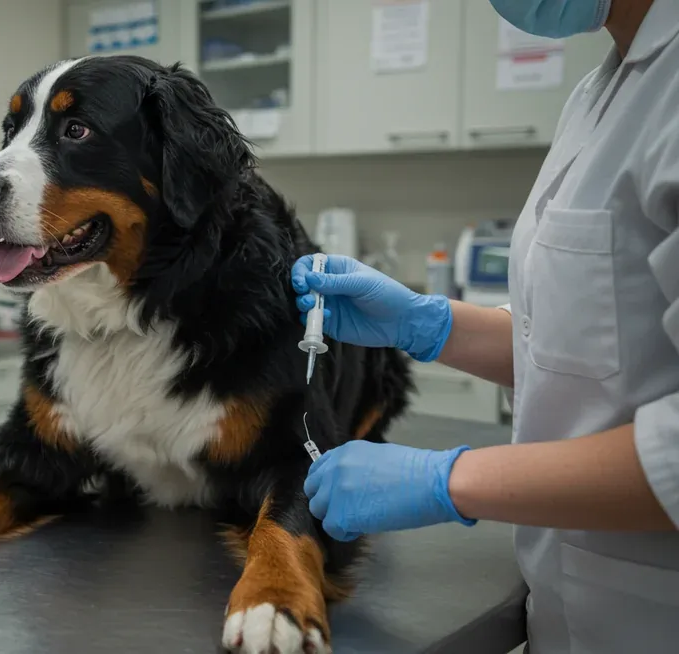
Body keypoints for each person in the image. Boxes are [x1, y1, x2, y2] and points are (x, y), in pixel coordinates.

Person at [291, 0, 679, 651]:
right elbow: (581, 344)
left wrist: (450, 481)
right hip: (576, 610)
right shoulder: (601, 90)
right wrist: (429, 323)